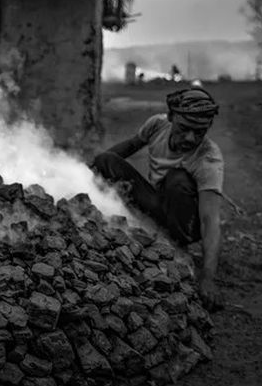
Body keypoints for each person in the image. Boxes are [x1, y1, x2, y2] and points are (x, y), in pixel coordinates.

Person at [91, 86, 224, 309]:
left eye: (199, 132)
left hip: (185, 224)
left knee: (177, 179)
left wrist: (208, 278)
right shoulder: (157, 125)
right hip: (158, 205)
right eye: (184, 129)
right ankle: (150, 233)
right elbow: (127, 148)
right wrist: (87, 168)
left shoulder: (208, 158)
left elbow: (210, 221)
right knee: (106, 160)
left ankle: (176, 246)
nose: (191, 138)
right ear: (171, 117)